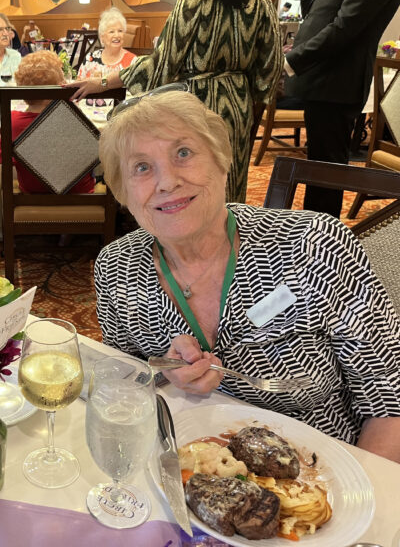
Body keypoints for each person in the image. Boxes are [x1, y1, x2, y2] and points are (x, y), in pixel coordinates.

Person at [94, 90, 400, 462]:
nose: (167, 181)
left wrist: (361, 503)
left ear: (223, 162)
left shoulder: (314, 245)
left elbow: (390, 398)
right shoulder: (117, 268)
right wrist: (162, 371)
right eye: (141, 167)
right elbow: (122, 382)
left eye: (183, 153)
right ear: (122, 191)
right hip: (187, 463)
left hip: (322, 469)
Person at [68, 0, 282, 204]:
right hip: (239, 102)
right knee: (231, 178)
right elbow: (270, 66)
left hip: (198, 104)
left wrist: (104, 82)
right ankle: (229, 235)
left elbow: (164, 63)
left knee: (194, 178)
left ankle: (195, 236)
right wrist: (249, 96)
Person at [284, 0, 400, 218]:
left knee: (326, 174)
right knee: (318, 168)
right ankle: (310, 234)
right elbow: (316, 17)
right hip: (320, 80)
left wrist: (290, 61)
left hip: (337, 83)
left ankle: (321, 243)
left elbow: (346, 26)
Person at [0, 51, 95, 195]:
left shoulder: (12, 122)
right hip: (79, 192)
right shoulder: (73, 117)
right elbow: (93, 153)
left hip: (32, 193)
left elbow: (2, 159)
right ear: (59, 87)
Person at [76, 7, 137, 80]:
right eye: (111, 32)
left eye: (120, 31)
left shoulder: (133, 62)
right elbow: (78, 85)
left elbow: (138, 90)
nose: (117, 35)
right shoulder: (90, 59)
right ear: (102, 37)